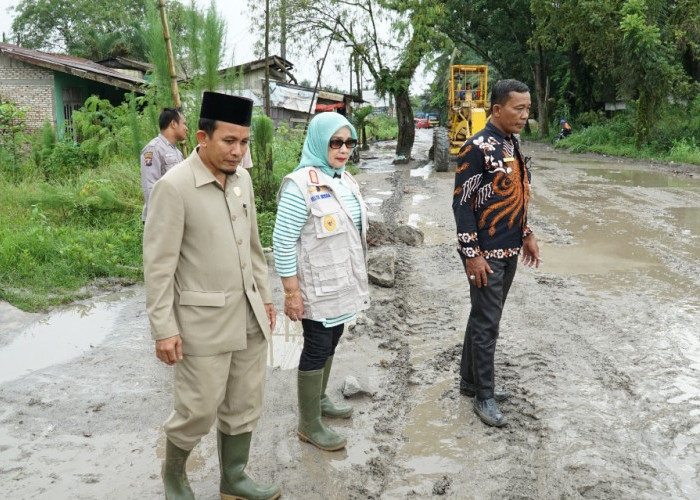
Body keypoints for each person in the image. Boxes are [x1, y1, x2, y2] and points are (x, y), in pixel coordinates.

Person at [143, 91, 280, 500]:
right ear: (202, 136)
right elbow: (158, 266)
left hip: (248, 316)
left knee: (244, 403)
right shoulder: (175, 187)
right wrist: (163, 329)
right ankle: (174, 476)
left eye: (244, 142)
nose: (238, 151)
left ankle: (233, 479)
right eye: (228, 141)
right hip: (202, 323)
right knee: (198, 409)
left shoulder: (243, 182)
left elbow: (254, 248)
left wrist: (267, 298)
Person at [272, 112, 370, 452]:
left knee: (332, 340)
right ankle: (308, 423)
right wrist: (291, 293)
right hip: (315, 288)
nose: (343, 150)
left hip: (342, 284)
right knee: (316, 346)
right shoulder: (300, 185)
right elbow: (283, 241)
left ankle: (320, 400)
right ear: (318, 142)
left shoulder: (345, 179)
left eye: (349, 143)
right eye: (335, 142)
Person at [452, 79, 540, 428]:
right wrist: (472, 255)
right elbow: (462, 205)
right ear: (498, 109)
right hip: (485, 252)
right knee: (488, 324)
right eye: (518, 108)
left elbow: (518, 195)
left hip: (509, 248)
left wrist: (527, 233)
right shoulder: (476, 147)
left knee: (482, 316)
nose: (524, 115)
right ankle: (484, 397)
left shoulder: (510, 143)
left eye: (528, 109)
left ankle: (470, 382)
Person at [140, 107, 188, 222]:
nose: (186, 128)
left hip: (174, 214)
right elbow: (149, 186)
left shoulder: (176, 152)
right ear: (173, 124)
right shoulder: (153, 149)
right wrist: (160, 216)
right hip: (160, 217)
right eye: (184, 124)